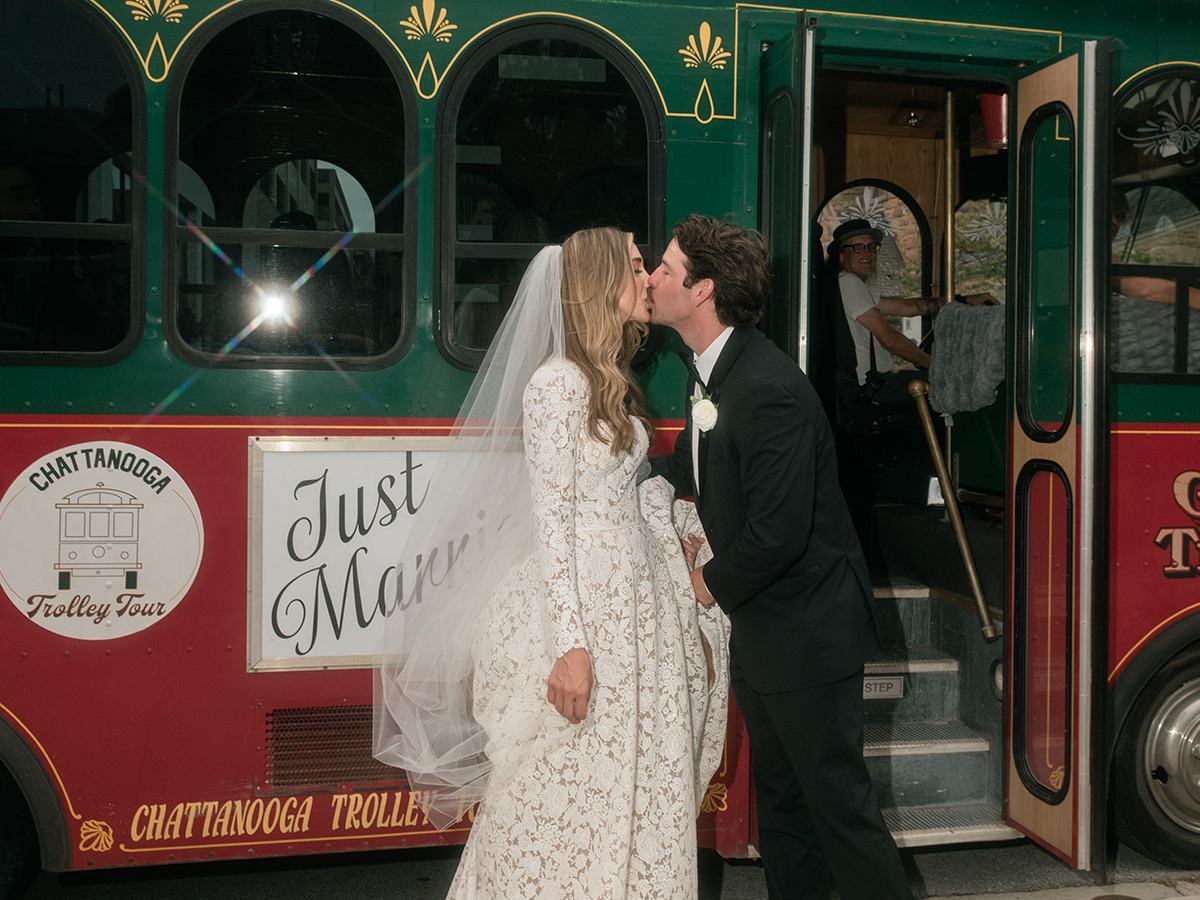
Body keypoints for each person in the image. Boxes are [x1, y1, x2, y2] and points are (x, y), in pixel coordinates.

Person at [375, 226, 728, 898]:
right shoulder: (557, 385)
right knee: (557, 795)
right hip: (588, 617)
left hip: (635, 610)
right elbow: (553, 520)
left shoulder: (607, 380)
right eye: (634, 267)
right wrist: (570, 646)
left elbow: (617, 488)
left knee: (624, 786)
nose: (649, 277)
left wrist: (669, 522)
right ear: (600, 283)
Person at [647, 214, 911, 900]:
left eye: (666, 270)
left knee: (839, 812)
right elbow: (691, 468)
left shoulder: (767, 388)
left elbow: (777, 534)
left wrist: (696, 588)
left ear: (702, 291)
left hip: (809, 634)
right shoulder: (710, 374)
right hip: (766, 633)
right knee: (785, 811)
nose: (652, 279)